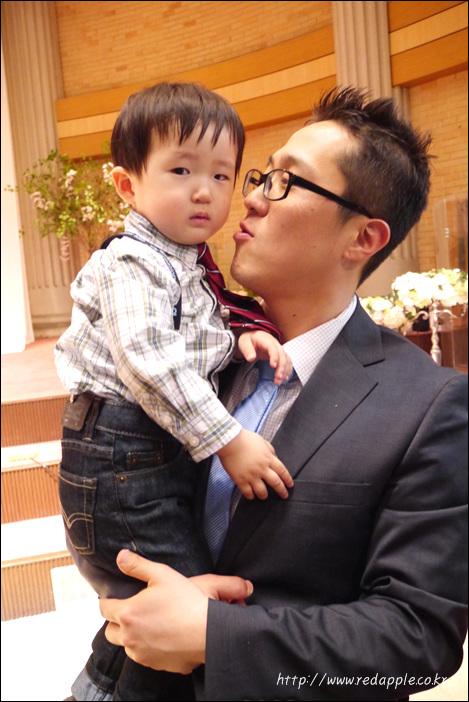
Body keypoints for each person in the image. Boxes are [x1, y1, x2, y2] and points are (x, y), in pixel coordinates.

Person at [99, 87, 468, 701]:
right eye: (260, 175)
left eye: (285, 183)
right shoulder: (191, 351)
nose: (249, 197)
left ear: (363, 239)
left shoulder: (429, 406)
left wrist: (216, 636)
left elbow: (416, 642)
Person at [55, 82, 293, 701]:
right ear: (127, 185)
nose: (204, 190)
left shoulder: (184, 262)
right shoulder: (132, 261)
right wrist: (228, 440)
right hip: (120, 455)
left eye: (221, 174)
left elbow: (185, 333)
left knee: (155, 610)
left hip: (142, 456)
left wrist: (236, 340)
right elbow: (149, 361)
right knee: (182, 614)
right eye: (181, 170)